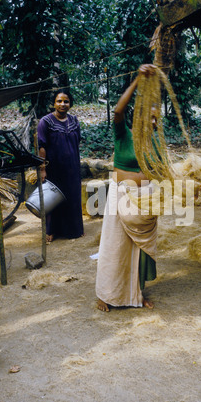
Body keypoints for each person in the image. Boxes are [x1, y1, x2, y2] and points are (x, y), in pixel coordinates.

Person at [96, 64, 158, 312]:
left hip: (145, 201)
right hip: (122, 196)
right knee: (115, 247)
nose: (152, 121)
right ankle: (105, 294)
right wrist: (138, 80)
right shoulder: (123, 134)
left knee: (139, 251)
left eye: (156, 118)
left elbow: (164, 175)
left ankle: (137, 293)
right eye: (148, 116)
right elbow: (118, 110)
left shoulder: (156, 145)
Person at [37, 88, 84, 242]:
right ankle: (51, 231)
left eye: (66, 101)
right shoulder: (45, 122)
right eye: (59, 101)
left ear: (70, 104)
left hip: (72, 168)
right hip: (54, 169)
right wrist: (42, 168)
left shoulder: (74, 121)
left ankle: (74, 230)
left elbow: (76, 142)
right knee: (53, 199)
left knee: (73, 198)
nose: (62, 104)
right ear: (54, 104)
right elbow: (41, 146)